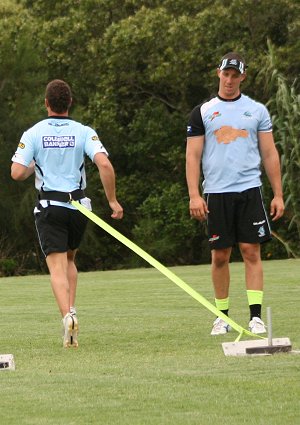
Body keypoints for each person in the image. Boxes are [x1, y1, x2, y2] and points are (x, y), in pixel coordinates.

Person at [11, 79, 123, 347]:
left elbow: (16, 173)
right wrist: (113, 201)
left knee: (56, 266)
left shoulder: (33, 133)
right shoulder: (84, 131)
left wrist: (35, 163)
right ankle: (72, 309)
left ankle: (67, 319)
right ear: (69, 103)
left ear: (46, 103)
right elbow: (104, 165)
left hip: (50, 207)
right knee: (71, 259)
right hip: (79, 208)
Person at [186, 52, 284, 336]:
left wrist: (277, 194)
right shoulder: (202, 111)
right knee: (220, 255)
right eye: (225, 74)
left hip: (249, 190)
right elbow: (192, 156)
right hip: (216, 193)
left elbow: (269, 152)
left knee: (251, 251)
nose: (229, 80)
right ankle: (222, 317)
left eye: (235, 75)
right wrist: (194, 194)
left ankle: (255, 317)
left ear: (243, 77)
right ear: (219, 73)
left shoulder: (257, 111)